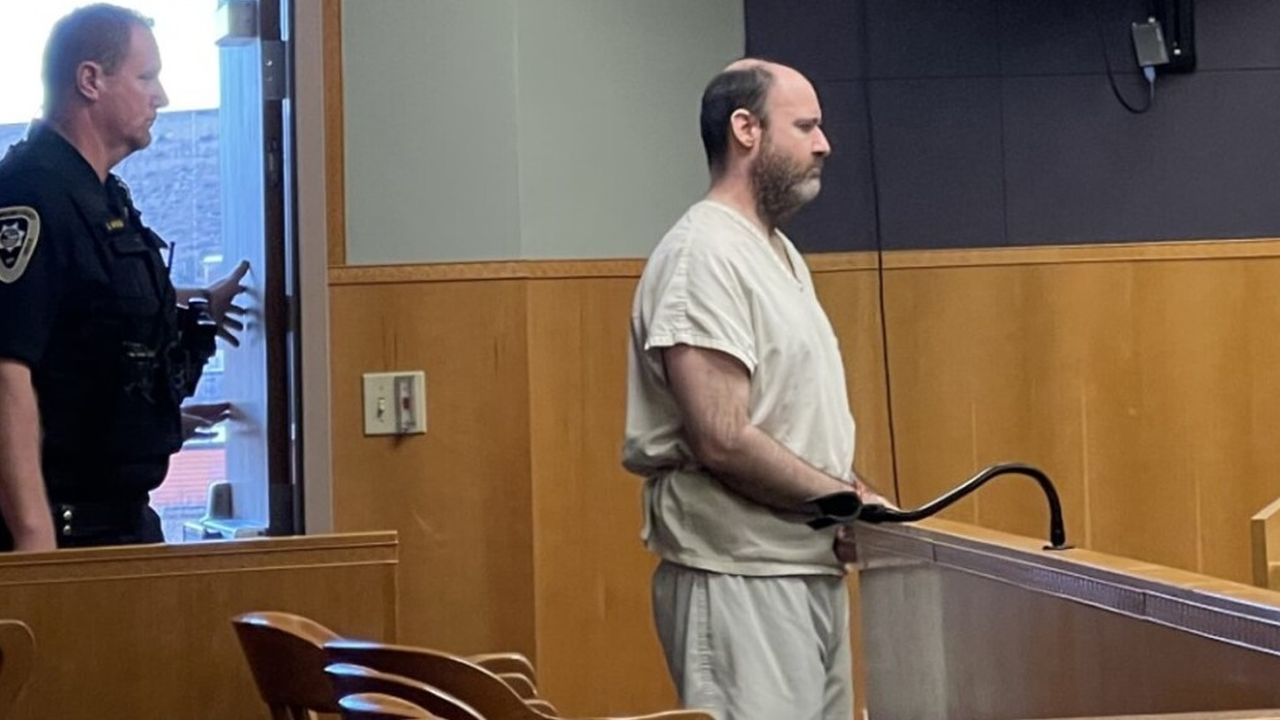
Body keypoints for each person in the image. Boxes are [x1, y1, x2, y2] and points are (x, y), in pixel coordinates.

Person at [622, 59, 892, 720]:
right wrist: (838, 500)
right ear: (746, 129)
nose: (823, 143)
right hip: (739, 575)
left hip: (803, 566)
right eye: (805, 126)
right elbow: (721, 436)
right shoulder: (702, 255)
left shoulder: (777, 252)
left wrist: (853, 496)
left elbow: (789, 417)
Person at [0, 4, 248, 552]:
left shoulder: (99, 195)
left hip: (120, 522)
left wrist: (194, 307)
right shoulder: (31, 195)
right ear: (91, 80)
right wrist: (34, 539)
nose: (161, 97)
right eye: (146, 76)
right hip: (62, 532)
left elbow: (89, 315)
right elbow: (6, 372)